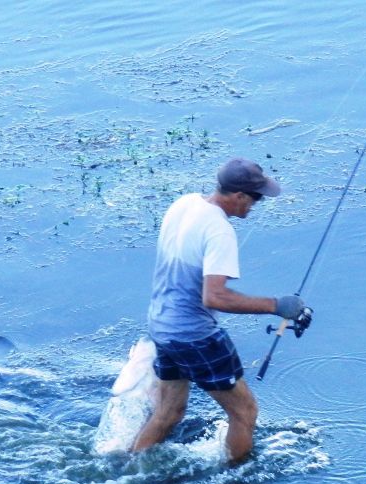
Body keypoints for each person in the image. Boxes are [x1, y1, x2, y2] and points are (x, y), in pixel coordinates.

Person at [131, 157, 308, 464]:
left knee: (169, 411)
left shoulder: (184, 204)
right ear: (239, 196)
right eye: (255, 198)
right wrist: (278, 306)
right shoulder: (219, 231)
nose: (255, 205)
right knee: (245, 412)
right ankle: (236, 482)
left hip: (161, 327)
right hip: (194, 335)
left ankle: (129, 470)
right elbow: (215, 297)